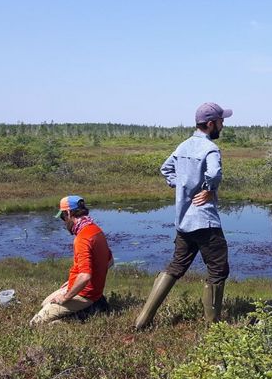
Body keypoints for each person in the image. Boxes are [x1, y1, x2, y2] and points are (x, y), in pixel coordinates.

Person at [135, 102, 233, 330]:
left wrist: (181, 186)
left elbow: (165, 169)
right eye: (221, 122)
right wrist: (208, 189)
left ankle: (142, 320)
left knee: (176, 266)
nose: (222, 125)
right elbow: (215, 172)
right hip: (205, 221)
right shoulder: (210, 149)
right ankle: (214, 327)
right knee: (218, 270)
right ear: (210, 124)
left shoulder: (183, 146)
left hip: (184, 221)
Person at [30, 195, 113, 325]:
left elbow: (85, 276)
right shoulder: (96, 230)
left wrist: (65, 297)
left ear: (68, 213)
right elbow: (110, 261)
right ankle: (95, 303)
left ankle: (90, 310)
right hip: (88, 290)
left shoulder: (82, 239)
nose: (63, 222)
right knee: (45, 303)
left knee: (36, 322)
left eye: (63, 217)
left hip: (85, 294)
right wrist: (71, 282)